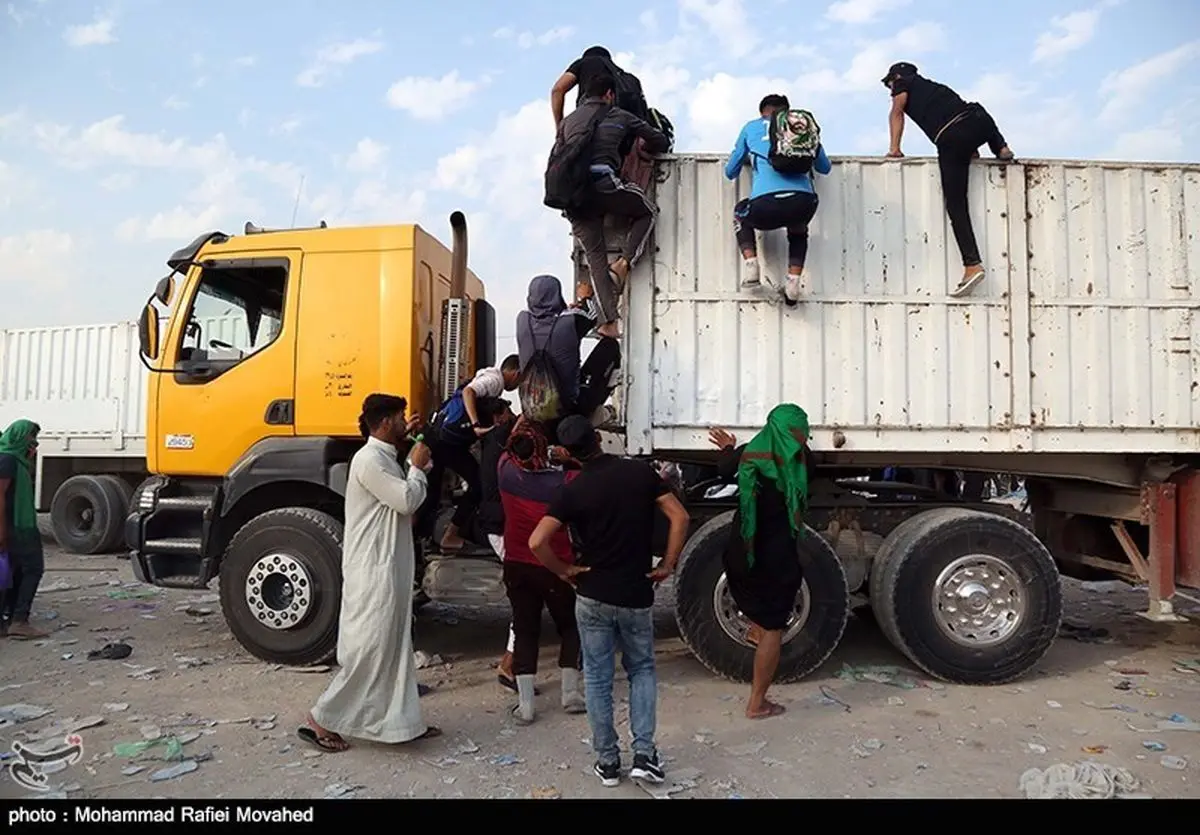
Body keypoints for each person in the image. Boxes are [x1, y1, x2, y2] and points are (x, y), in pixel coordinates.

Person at [529, 415, 690, 787]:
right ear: (599, 438)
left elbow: (537, 542)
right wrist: (668, 563)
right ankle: (645, 756)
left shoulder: (572, 491)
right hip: (635, 591)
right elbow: (679, 517)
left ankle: (607, 762)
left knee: (599, 679)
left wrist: (564, 570)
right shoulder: (639, 474)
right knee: (642, 670)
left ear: (567, 453)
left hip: (592, 594)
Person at [298, 394, 440, 752]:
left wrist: (410, 443)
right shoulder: (368, 461)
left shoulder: (382, 456)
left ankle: (400, 724)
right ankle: (321, 718)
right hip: (373, 569)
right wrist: (418, 468)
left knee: (394, 648)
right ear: (384, 422)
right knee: (368, 648)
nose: (404, 421)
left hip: (388, 567)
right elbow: (406, 499)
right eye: (399, 417)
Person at [708, 403, 813, 720]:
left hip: (742, 551)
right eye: (800, 429)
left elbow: (725, 469)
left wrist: (728, 447)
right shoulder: (803, 461)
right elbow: (803, 453)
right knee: (772, 629)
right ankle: (757, 703)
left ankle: (756, 627)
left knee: (758, 608)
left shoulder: (750, 453)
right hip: (776, 560)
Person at [883, 62, 1014, 298]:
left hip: (951, 137)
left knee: (956, 205)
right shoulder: (935, 87)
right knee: (977, 110)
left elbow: (897, 112)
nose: (889, 89)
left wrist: (895, 149)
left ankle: (972, 264)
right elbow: (962, 114)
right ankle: (1001, 147)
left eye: (888, 84)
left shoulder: (903, 82)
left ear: (897, 77)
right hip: (978, 123)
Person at [553, 73, 670, 337]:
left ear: (583, 97)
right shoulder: (618, 114)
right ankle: (624, 263)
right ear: (609, 94)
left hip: (573, 197)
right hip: (604, 185)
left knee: (595, 257)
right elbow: (658, 140)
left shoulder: (567, 122)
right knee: (648, 212)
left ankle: (610, 323)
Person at [498, 419, 585, 725]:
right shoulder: (563, 482)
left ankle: (525, 706)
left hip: (518, 565)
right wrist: (567, 456)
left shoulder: (504, 470)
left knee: (525, 630)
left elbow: (510, 447)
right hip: (555, 565)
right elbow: (583, 468)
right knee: (570, 626)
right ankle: (570, 694)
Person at [725, 94, 831, 306]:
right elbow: (824, 168)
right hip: (803, 202)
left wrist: (752, 156)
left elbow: (730, 171)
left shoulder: (751, 128)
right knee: (798, 228)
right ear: (786, 113)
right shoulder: (802, 127)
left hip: (766, 204)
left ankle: (752, 268)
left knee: (740, 212)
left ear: (762, 110)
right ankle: (793, 284)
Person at [417, 356, 521, 553]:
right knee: (478, 485)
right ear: (517, 373)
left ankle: (422, 540)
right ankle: (448, 536)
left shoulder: (488, 377)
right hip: (447, 444)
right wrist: (476, 426)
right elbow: (468, 392)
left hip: (440, 438)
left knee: (430, 495)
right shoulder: (495, 380)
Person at [516, 274, 621, 430]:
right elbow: (594, 314)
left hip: (534, 406)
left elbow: (545, 321)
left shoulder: (522, 321)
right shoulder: (569, 322)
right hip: (569, 407)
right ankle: (601, 403)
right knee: (609, 345)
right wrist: (585, 297)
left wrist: (568, 312)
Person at [0, 419, 46, 640]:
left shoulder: (16, 460)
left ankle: (8, 621)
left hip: (16, 526)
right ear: (18, 437)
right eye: (30, 437)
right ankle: (19, 620)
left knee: (13, 572)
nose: (33, 443)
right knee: (33, 568)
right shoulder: (8, 460)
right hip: (17, 527)